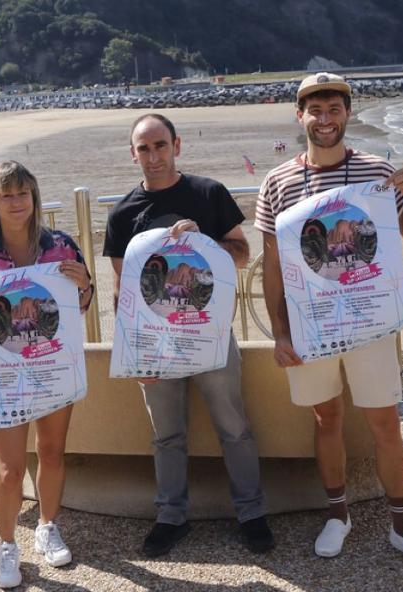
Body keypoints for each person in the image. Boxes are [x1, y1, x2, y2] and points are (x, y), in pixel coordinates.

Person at [255, 73, 403, 567]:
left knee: (385, 421)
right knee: (326, 418)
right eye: (315, 110)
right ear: (300, 116)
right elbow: (273, 265)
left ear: (347, 114)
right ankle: (338, 515)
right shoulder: (277, 181)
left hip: (370, 320)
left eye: (334, 109)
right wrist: (280, 332)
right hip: (310, 323)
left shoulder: (378, 170)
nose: (325, 119)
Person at [103, 113, 273, 557]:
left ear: (176, 146)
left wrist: (206, 243)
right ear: (133, 154)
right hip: (154, 345)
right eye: (144, 148)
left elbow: (242, 253)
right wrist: (134, 355)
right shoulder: (122, 214)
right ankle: (170, 516)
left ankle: (251, 512)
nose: (154, 156)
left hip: (210, 336)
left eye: (161, 145)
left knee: (234, 427)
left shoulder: (208, 193)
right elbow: (122, 289)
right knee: (167, 435)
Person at [0, 161, 94, 589]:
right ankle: (6, 545)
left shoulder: (61, 246)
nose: (16, 202)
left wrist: (85, 284)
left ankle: (48, 526)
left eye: (23, 193)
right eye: (7, 195)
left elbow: (80, 306)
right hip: (2, 378)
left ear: (34, 198)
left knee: (52, 453)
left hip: (52, 367)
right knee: (9, 469)